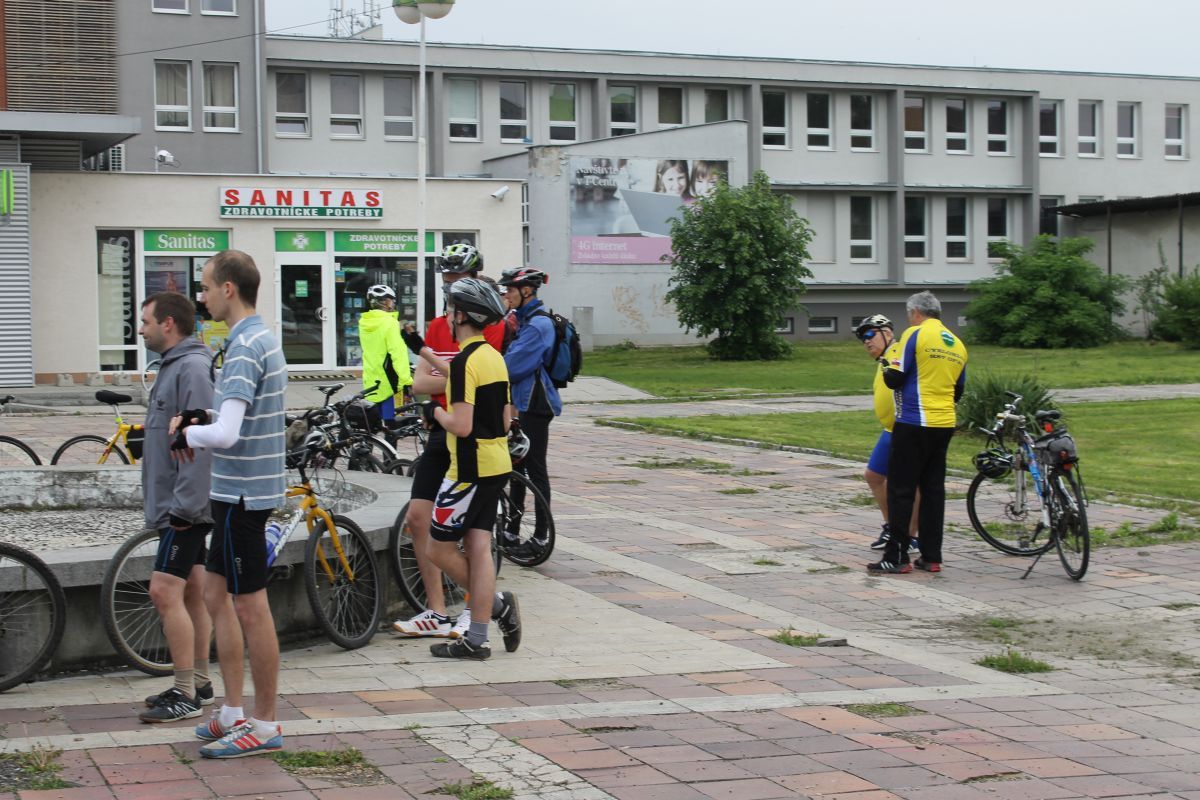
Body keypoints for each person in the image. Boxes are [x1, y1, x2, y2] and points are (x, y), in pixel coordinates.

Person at [170, 249, 288, 757]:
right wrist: (203, 417)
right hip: (236, 491)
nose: (201, 297)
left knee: (250, 606)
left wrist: (187, 433)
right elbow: (232, 416)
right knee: (216, 595)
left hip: (243, 495)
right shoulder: (257, 338)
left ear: (228, 289)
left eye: (205, 287)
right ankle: (233, 711)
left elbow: (227, 433)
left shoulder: (244, 347)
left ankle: (264, 724)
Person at [392, 244, 504, 639]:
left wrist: (445, 380)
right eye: (446, 279)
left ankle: (480, 609)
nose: (450, 286)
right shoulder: (441, 325)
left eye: (457, 279)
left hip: (469, 434)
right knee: (417, 518)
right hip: (444, 434)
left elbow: (478, 381)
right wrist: (446, 374)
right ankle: (437, 611)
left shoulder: (489, 323)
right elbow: (419, 383)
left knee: (472, 537)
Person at [136, 292, 229, 723]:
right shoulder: (173, 365)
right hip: (177, 502)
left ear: (168, 324)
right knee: (190, 588)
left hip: (185, 506)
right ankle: (200, 684)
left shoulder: (190, 367)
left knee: (163, 590)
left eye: (146, 322)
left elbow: (202, 443)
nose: (141, 330)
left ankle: (184, 692)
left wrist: (186, 507)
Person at [421, 277, 522, 660]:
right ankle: (477, 638)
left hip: (468, 469)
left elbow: (461, 425)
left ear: (462, 315)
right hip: (497, 463)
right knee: (478, 547)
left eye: (451, 310)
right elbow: (505, 418)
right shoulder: (493, 357)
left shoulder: (464, 362)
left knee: (437, 548)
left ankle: (495, 605)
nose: (448, 317)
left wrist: (434, 411)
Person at [870, 291, 967, 575]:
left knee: (901, 490)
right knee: (933, 490)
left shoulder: (914, 334)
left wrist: (886, 365)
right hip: (944, 423)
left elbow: (895, 378)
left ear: (914, 313)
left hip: (913, 421)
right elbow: (958, 390)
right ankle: (931, 556)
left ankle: (896, 557)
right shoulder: (957, 343)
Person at [496, 267, 561, 563]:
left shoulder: (537, 325)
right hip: (523, 402)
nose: (506, 294)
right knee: (518, 469)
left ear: (527, 291)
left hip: (535, 404)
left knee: (535, 470)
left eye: (510, 289)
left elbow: (511, 366)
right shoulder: (525, 320)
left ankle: (541, 537)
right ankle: (511, 532)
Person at [854, 314, 919, 555]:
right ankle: (893, 527)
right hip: (890, 429)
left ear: (888, 333)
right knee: (874, 476)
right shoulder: (884, 359)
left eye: (870, 334)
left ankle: (910, 535)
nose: (866, 341)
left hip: (905, 426)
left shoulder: (899, 352)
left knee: (909, 482)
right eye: (863, 338)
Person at [359, 284, 412, 424]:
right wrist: (406, 381)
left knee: (373, 423)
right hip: (389, 380)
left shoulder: (364, 322)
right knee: (391, 423)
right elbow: (398, 354)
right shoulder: (390, 323)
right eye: (392, 300)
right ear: (386, 302)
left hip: (370, 380)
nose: (393, 303)